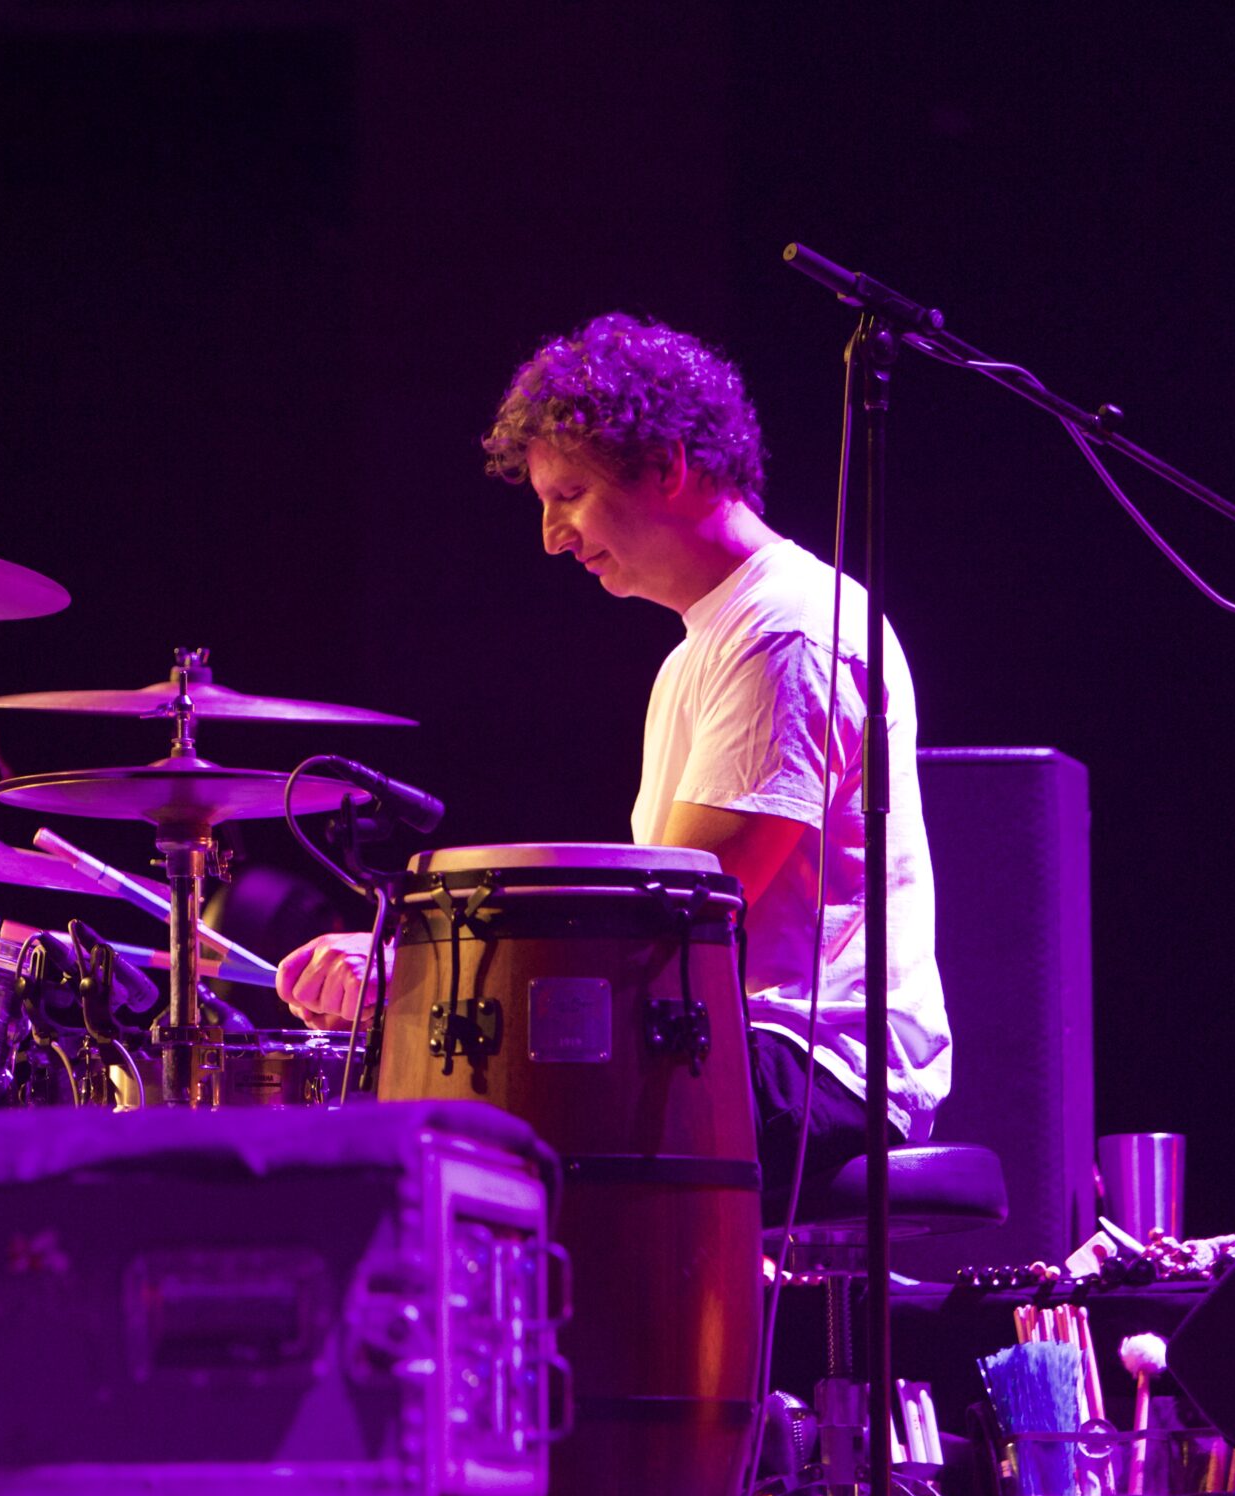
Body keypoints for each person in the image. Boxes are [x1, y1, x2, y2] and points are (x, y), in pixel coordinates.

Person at [278, 312, 950, 1204]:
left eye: (570, 494)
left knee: (481, 1120)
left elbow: (675, 925)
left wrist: (421, 974)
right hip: (726, 1039)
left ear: (667, 465)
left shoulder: (785, 629)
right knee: (446, 1092)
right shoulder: (703, 649)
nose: (551, 535)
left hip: (811, 1064)